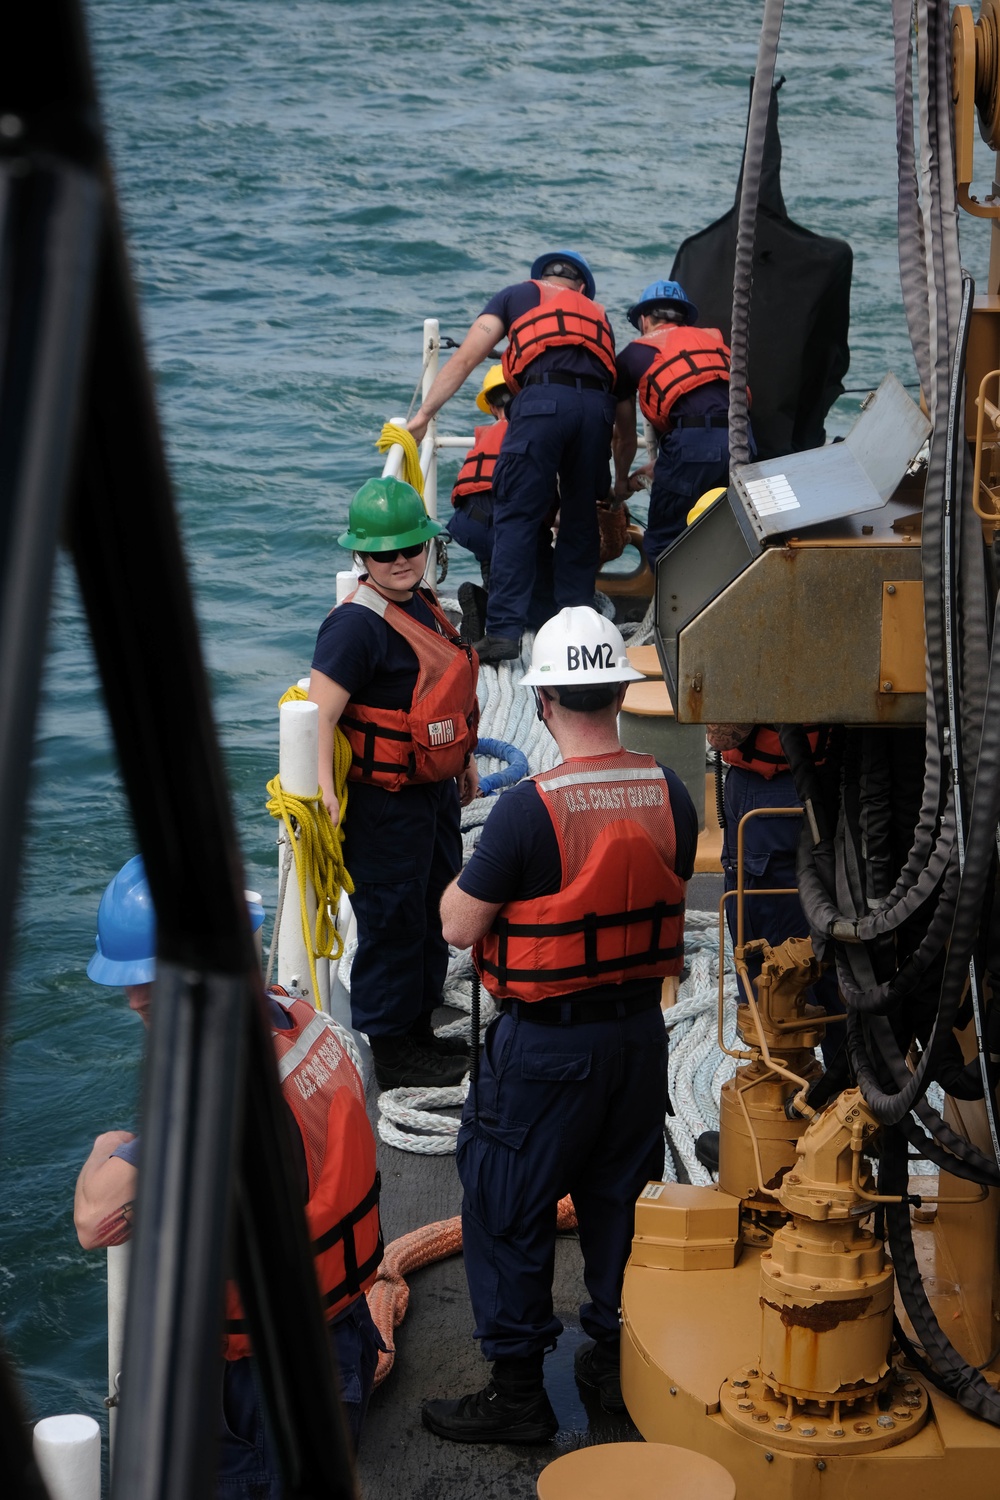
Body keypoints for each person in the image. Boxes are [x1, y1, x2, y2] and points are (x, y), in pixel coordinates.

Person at [420, 608, 698, 1442]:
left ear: (540, 704)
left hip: (544, 1049)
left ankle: (517, 1397)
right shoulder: (671, 793)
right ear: (619, 691)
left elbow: (459, 928)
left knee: (506, 1206)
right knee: (620, 1202)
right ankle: (615, 1371)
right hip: (638, 1041)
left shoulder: (526, 812)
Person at [73, 856, 385, 1489]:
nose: (135, 999)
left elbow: (94, 1218)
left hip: (262, 1384)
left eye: (153, 977)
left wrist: (110, 1142)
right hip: (340, 1341)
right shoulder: (305, 1023)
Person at [308, 475, 478, 1090]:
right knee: (392, 921)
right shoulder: (355, 626)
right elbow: (320, 714)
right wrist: (324, 791)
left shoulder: (424, 604)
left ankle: (420, 1027)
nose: (402, 561)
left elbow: (444, 696)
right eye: (386, 553)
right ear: (363, 557)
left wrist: (463, 761)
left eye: (413, 548)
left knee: (435, 908)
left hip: (431, 793)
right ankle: (393, 1049)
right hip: (383, 807)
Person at [407, 251, 617, 664]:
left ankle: (503, 632)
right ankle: (574, 627)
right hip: (597, 409)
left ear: (541, 278)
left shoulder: (516, 296)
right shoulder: (598, 314)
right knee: (580, 516)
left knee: (517, 514)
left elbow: (467, 356)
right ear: (582, 289)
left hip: (542, 402)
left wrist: (423, 416)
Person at [613, 278, 753, 569]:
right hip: (743, 440)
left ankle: (671, 614)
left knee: (665, 543)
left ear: (644, 319)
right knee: (729, 535)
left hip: (694, 447)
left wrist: (621, 482)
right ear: (685, 320)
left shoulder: (635, 353)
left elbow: (625, 440)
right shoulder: (713, 343)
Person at [447, 364, 557, 644]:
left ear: (494, 407)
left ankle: (488, 590)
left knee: (500, 553)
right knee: (545, 609)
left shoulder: (487, 436)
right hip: (504, 524)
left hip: (467, 524)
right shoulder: (539, 429)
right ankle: (487, 604)